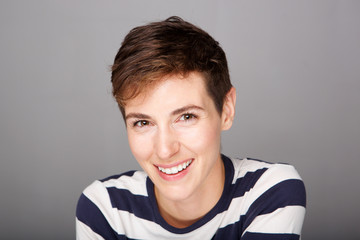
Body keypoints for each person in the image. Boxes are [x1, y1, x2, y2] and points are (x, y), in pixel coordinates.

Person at [76, 16, 306, 240]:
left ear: (226, 110)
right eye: (143, 123)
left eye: (186, 117)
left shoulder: (269, 192)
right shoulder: (105, 209)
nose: (165, 150)